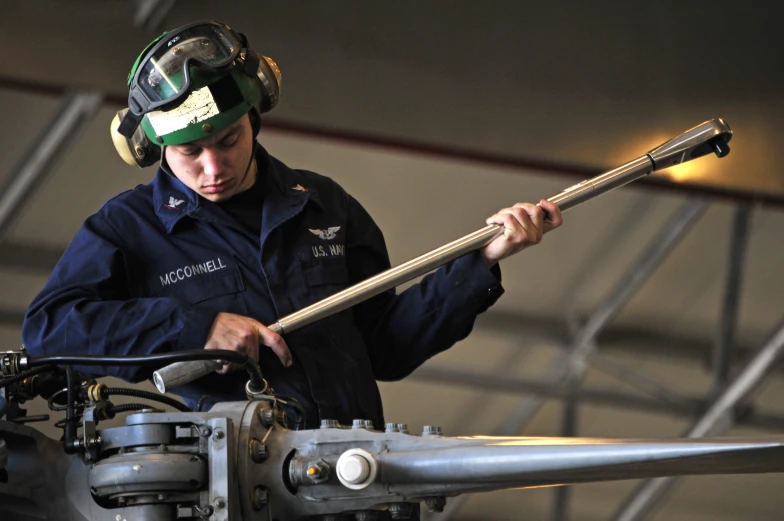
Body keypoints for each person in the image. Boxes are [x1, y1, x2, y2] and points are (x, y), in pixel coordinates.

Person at [21, 21, 562, 429]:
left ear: (254, 118)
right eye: (189, 152)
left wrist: (481, 262)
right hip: (231, 487)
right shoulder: (127, 227)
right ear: (154, 146)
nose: (213, 168)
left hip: (354, 476)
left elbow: (387, 348)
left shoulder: (323, 204)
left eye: (228, 141)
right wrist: (196, 330)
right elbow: (50, 331)